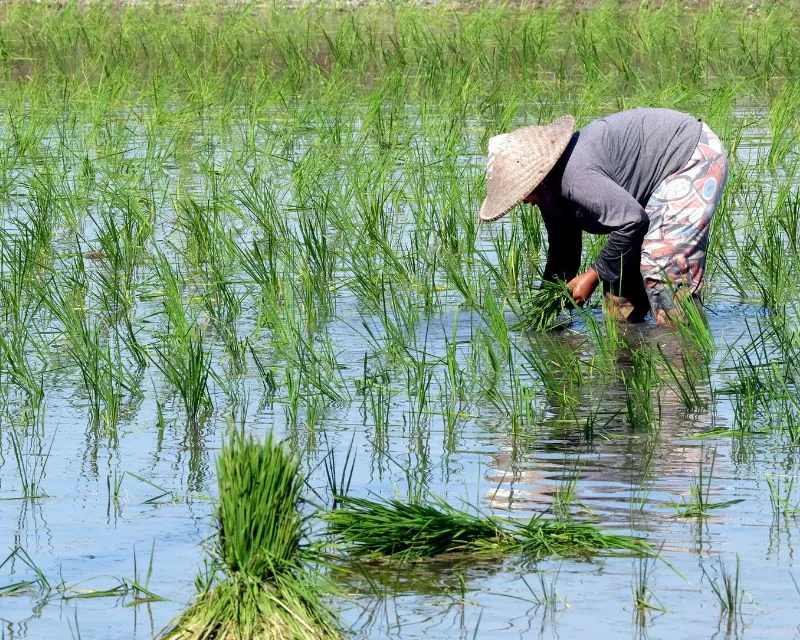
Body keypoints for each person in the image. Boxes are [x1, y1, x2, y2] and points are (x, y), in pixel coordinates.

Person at [478, 108, 728, 325]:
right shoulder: (549, 192)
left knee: (662, 270)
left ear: (538, 178)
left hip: (690, 156)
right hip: (649, 189)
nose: (522, 200)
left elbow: (632, 220)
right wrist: (546, 311)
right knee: (618, 287)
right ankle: (627, 363)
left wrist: (593, 275)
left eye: (522, 192)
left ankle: (683, 359)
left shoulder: (576, 178)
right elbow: (563, 254)